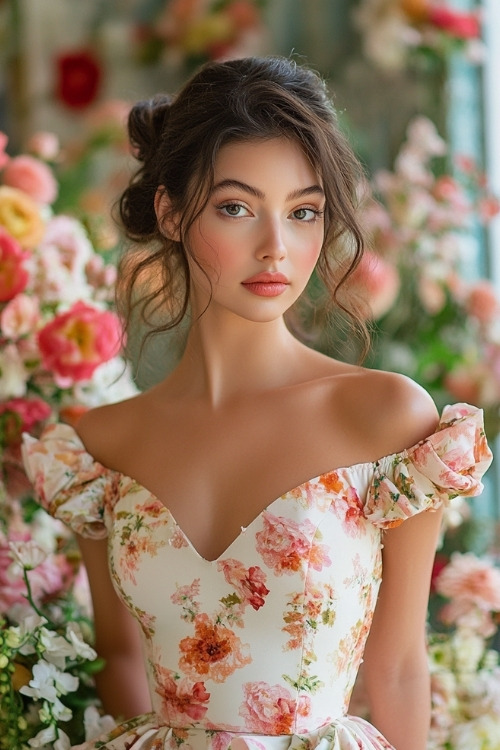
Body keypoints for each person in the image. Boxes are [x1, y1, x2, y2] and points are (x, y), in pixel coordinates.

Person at [22, 56, 492, 750]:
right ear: (172, 213)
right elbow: (120, 663)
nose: (277, 248)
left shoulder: (386, 419)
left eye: (303, 213)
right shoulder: (101, 446)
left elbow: (397, 667)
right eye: (237, 208)